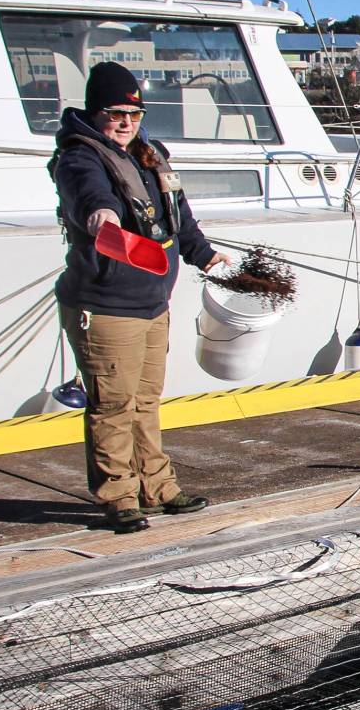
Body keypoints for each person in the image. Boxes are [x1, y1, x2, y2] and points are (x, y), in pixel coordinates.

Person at [52, 62, 228, 533]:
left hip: (153, 304)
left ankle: (159, 489)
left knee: (146, 401)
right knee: (113, 405)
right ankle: (118, 498)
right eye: (115, 113)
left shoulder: (150, 153)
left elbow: (179, 216)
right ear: (96, 112)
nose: (126, 123)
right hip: (107, 306)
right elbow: (91, 198)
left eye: (134, 113)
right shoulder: (78, 158)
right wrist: (102, 221)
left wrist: (204, 255)